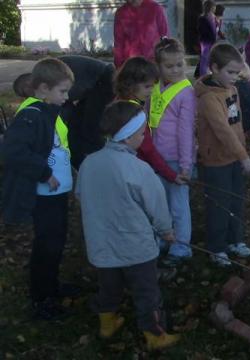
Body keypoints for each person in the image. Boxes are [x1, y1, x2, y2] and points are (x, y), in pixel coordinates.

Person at [75, 101, 180, 350]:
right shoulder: (138, 169)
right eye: (142, 133)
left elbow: (80, 194)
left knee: (108, 288)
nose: (144, 137)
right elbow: (157, 206)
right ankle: (155, 335)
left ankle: (107, 324)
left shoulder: (89, 163)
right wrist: (166, 230)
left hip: (101, 245)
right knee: (147, 293)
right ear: (130, 136)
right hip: (136, 247)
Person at [2, 58, 76, 320]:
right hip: (44, 195)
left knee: (56, 241)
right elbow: (12, 150)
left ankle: (52, 285)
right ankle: (41, 297)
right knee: (47, 245)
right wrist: (44, 173)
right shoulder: (32, 116)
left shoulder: (48, 112)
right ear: (43, 89)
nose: (66, 98)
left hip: (56, 195)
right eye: (63, 92)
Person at [196, 43, 250, 266]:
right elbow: (223, 131)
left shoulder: (232, 90)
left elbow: (237, 125)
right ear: (214, 68)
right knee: (219, 205)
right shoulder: (208, 98)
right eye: (230, 72)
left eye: (237, 72)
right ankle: (216, 247)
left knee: (236, 201)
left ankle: (235, 240)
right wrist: (245, 157)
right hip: (216, 161)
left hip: (234, 159)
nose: (235, 77)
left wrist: (242, 154)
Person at [13, 55, 116, 168]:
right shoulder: (47, 79)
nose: (27, 97)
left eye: (24, 92)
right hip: (93, 86)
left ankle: (101, 165)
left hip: (104, 79)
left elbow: (64, 106)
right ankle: (79, 162)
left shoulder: (52, 77)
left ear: (29, 83)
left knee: (91, 126)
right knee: (75, 126)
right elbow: (66, 107)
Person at [149, 38, 197, 266]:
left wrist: (186, 164)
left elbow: (186, 131)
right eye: (169, 66)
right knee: (160, 203)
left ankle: (181, 246)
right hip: (156, 157)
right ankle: (163, 239)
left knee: (178, 204)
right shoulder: (156, 86)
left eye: (180, 64)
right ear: (158, 66)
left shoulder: (185, 92)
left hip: (177, 159)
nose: (176, 70)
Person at [114, 56, 185, 185]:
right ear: (131, 85)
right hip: (136, 172)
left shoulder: (118, 103)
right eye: (147, 87)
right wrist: (172, 175)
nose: (152, 91)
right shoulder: (134, 113)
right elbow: (148, 149)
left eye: (153, 86)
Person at [113, 0, 168, 68]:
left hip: (153, 62)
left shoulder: (155, 8)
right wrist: (119, 65)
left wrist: (165, 59)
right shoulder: (121, 13)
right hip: (131, 64)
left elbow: (164, 35)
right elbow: (118, 42)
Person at [196, 0, 217, 78]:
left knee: (211, 58)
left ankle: (210, 73)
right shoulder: (203, 18)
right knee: (204, 58)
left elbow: (215, 29)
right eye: (214, 6)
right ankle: (202, 76)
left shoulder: (213, 17)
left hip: (212, 40)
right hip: (205, 41)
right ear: (210, 7)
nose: (215, 8)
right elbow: (201, 30)